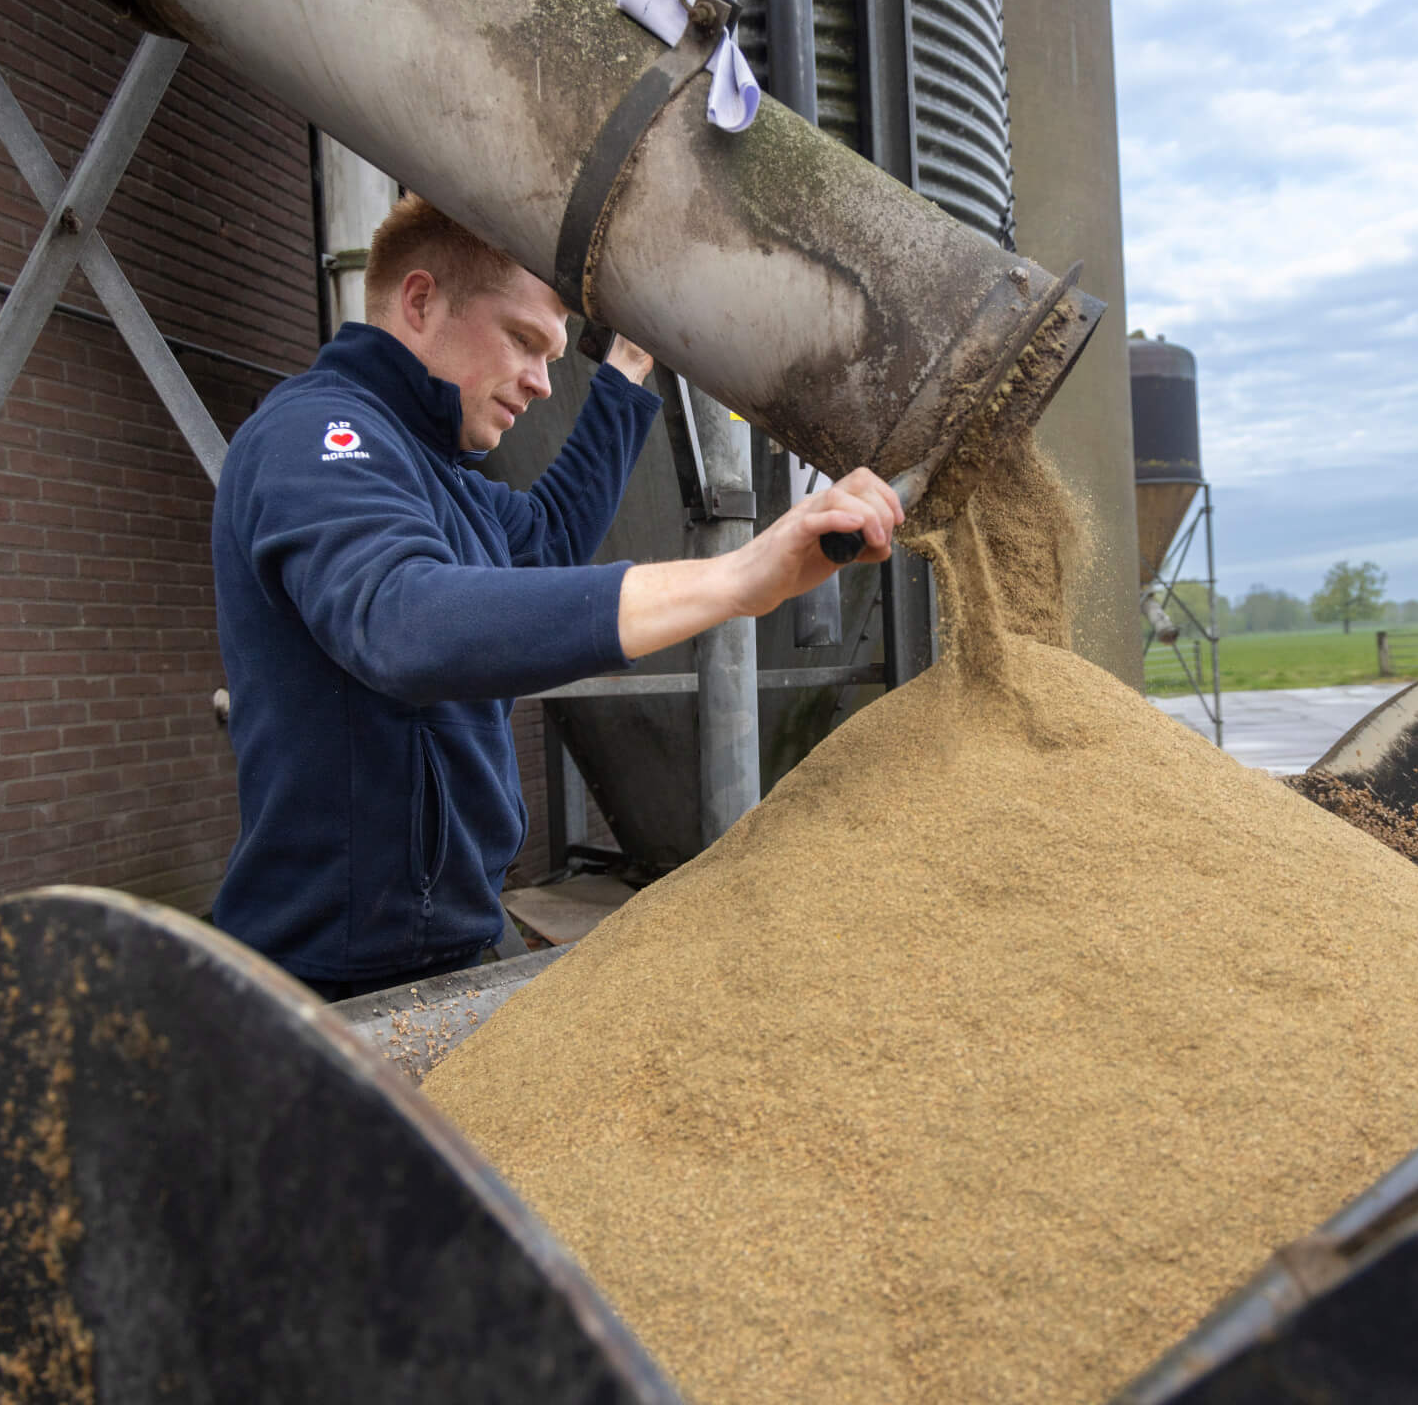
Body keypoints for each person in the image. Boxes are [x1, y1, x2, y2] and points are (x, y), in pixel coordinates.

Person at [211, 196, 902, 1000]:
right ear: (420, 301)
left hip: (447, 947)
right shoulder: (319, 434)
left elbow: (546, 539)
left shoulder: (443, 480)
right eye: (524, 342)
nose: (543, 383)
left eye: (556, 355)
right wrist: (737, 580)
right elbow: (403, 622)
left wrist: (633, 363)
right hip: (328, 984)